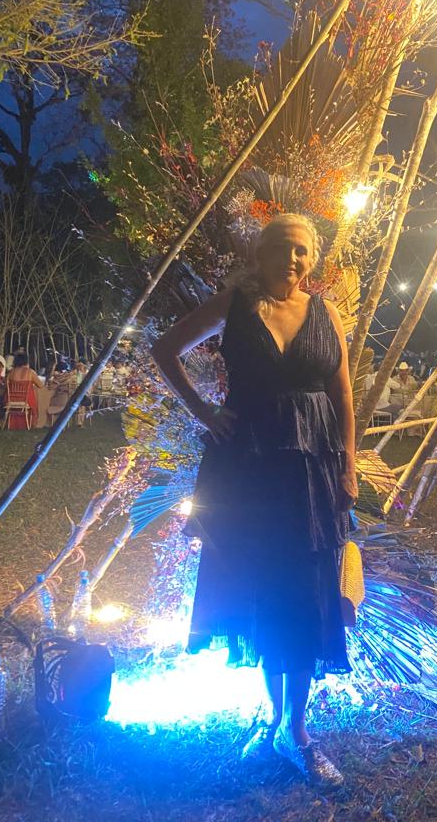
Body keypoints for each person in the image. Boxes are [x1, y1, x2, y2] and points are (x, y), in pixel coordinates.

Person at [151, 213, 357, 789]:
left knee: (308, 588)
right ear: (260, 254)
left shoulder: (326, 313)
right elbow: (164, 350)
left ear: (311, 260)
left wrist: (348, 464)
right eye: (283, 249)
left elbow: (342, 392)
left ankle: (297, 729)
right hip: (249, 469)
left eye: (303, 251)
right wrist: (203, 411)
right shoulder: (233, 305)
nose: (293, 260)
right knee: (262, 585)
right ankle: (274, 719)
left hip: (313, 469)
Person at [4, 352, 45, 429]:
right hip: (26, 400)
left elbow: (6, 385)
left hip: (12, 399)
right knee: (34, 393)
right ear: (26, 361)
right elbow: (40, 385)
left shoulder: (11, 372)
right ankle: (30, 423)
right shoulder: (30, 372)